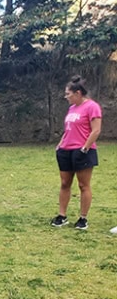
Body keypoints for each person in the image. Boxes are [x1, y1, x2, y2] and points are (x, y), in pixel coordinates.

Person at [51, 76, 102, 230]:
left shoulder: (92, 107)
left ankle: (83, 218)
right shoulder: (72, 108)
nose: (66, 97)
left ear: (78, 93)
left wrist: (84, 148)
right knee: (65, 183)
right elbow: (69, 129)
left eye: (68, 94)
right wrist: (60, 145)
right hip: (66, 150)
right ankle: (62, 215)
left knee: (83, 185)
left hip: (83, 151)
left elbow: (96, 130)